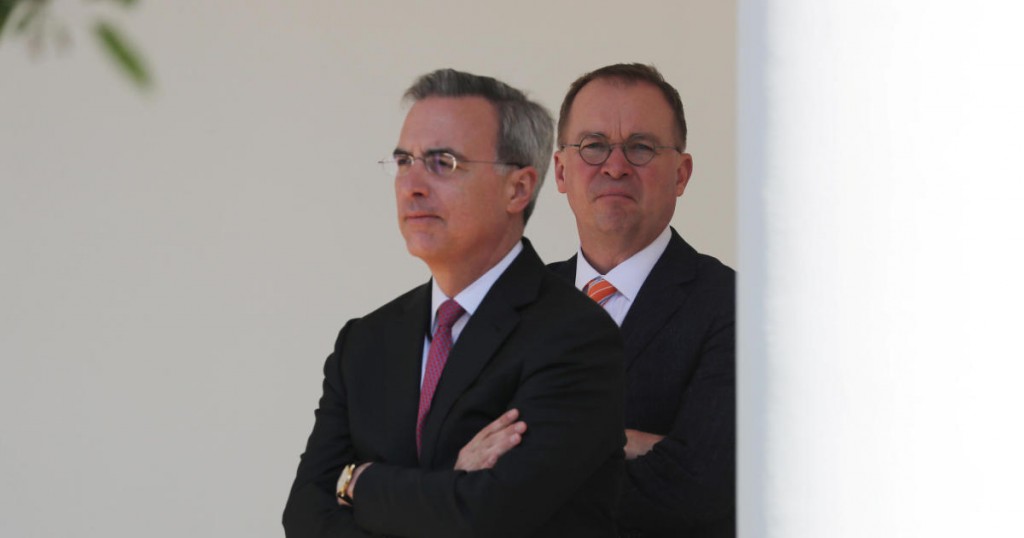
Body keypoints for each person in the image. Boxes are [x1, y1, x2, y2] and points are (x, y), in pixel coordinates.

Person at [282, 68, 626, 538]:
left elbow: (486, 517)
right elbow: (304, 517)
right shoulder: (364, 342)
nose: (412, 185)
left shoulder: (576, 338)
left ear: (518, 188)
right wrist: (449, 481)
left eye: (443, 162)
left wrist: (357, 482)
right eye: (404, 161)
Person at [460, 64, 736, 537]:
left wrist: (530, 461)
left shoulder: (734, 306)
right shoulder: (503, 304)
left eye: (641, 147)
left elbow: (700, 486)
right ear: (562, 171)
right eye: (593, 146)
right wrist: (629, 443)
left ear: (681, 174)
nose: (614, 165)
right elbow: (451, 459)